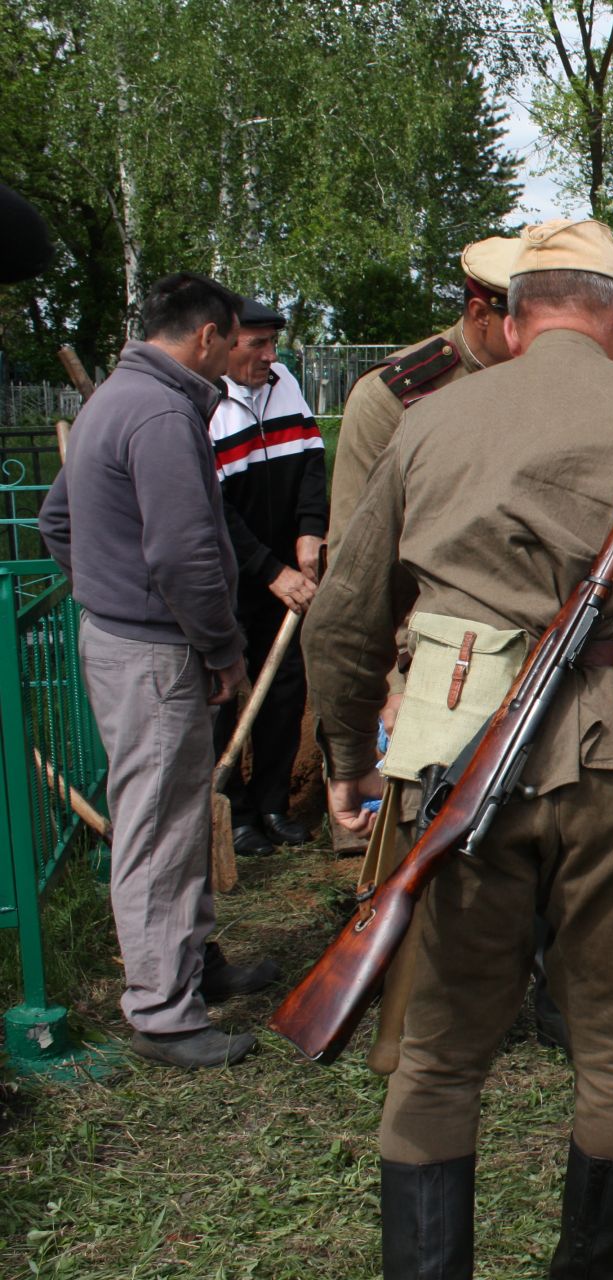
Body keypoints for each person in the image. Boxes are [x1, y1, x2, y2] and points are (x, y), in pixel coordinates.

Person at [305, 218, 613, 1276]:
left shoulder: (427, 421)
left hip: (451, 751)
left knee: (434, 1059)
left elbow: (342, 619)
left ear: (514, 323)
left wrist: (347, 759)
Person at [39, 273, 278, 1070]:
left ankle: (190, 968)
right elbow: (183, 554)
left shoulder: (117, 393)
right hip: (154, 651)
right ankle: (163, 1012)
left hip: (130, 638)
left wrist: (104, 592)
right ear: (207, 335)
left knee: (174, 817)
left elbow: (57, 521)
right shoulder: (160, 410)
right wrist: (220, 647)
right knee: (159, 831)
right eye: (233, 339)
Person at [208, 297, 328, 857]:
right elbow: (214, 511)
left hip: (285, 569)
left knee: (284, 687)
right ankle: (231, 813)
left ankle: (273, 802)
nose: (270, 356)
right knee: (225, 691)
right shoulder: (204, 402)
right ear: (225, 342)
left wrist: (309, 530)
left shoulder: (284, 383)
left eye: (273, 343)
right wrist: (269, 570)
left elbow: (309, 459)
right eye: (257, 344)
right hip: (231, 574)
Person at [329, 235, 522, 537]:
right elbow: (357, 540)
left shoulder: (543, 379)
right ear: (481, 314)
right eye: (525, 320)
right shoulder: (390, 396)